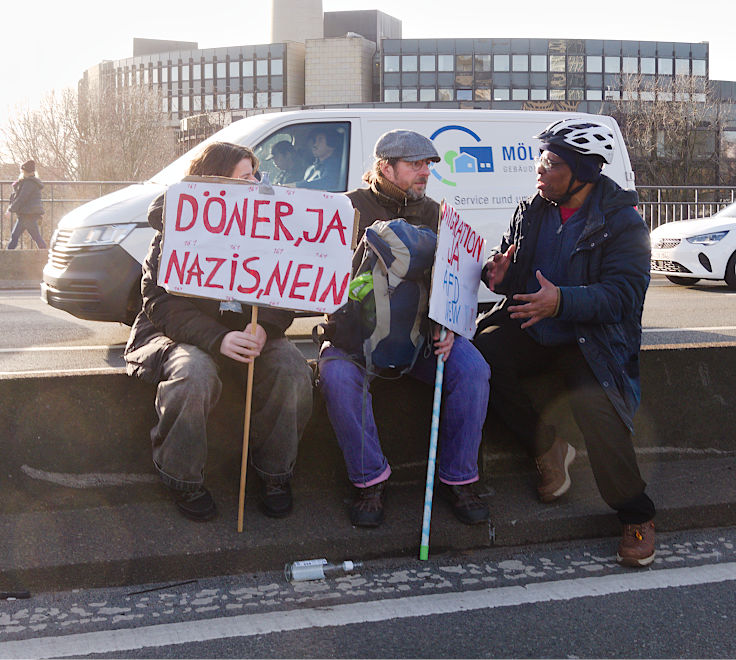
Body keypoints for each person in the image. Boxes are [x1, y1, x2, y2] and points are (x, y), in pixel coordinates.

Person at [473, 118, 656, 567]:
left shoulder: (623, 222)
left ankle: (637, 515)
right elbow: (520, 275)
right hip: (538, 323)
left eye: (551, 162)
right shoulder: (534, 209)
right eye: (541, 158)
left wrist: (563, 302)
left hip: (588, 335)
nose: (539, 169)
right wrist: (499, 276)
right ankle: (548, 447)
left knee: (596, 405)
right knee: (481, 355)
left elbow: (625, 296)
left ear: (583, 171)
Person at [124, 141, 314, 522]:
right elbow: (160, 303)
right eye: (245, 177)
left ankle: (274, 475)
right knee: (193, 373)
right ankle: (181, 478)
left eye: (255, 175)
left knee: (293, 371)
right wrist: (218, 339)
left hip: (249, 331)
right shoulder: (172, 231)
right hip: (176, 335)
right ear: (214, 180)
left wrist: (265, 328)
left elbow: (282, 289)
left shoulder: (268, 226)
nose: (256, 182)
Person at [318, 129, 491, 528]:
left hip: (419, 339)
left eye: (428, 165)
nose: (425, 173)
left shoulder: (435, 213)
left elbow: (455, 279)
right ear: (384, 167)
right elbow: (321, 278)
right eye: (415, 165)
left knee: (473, 370)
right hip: (356, 338)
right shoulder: (346, 210)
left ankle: (459, 477)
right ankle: (369, 481)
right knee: (336, 376)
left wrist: (447, 323)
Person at [5, 160, 47, 250]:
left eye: (22, 171)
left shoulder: (29, 183)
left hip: (28, 214)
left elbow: (21, 198)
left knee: (33, 238)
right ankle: (5, 258)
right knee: (17, 237)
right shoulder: (27, 182)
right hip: (26, 214)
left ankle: (4, 260)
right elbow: (17, 196)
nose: (21, 172)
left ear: (26, 171)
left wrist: (10, 210)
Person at [300, 127, 342, 191]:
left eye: (320, 140)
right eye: (315, 141)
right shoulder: (313, 167)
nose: (315, 144)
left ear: (331, 145)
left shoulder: (334, 165)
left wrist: (296, 186)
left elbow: (327, 183)